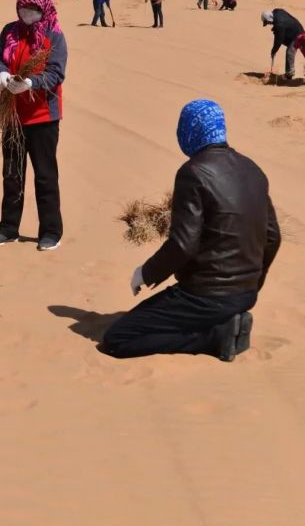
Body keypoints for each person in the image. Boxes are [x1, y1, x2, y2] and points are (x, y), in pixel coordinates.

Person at [103, 99, 281, 361]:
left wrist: (145, 273)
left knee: (117, 340)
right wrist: (252, 283)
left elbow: (183, 244)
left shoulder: (193, 172)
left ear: (189, 131)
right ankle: (223, 324)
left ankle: (213, 338)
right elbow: (273, 237)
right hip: (245, 296)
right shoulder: (253, 170)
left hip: (203, 297)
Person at [0, 0, 67, 251]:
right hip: (12, 116)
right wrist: (1, 74)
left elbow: (56, 72)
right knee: (12, 174)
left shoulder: (53, 35)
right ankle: (8, 229)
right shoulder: (10, 31)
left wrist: (31, 83)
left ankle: (51, 232)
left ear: (43, 7)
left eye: (32, 9)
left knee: (45, 175)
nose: (26, 13)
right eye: (23, 8)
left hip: (43, 117)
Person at [261, 8, 304, 80]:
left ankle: (289, 73)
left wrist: (273, 51)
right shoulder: (277, 11)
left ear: (269, 19)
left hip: (297, 35)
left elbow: (278, 40)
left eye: (267, 22)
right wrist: (277, 29)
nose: (268, 24)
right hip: (297, 28)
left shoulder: (279, 25)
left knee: (290, 51)